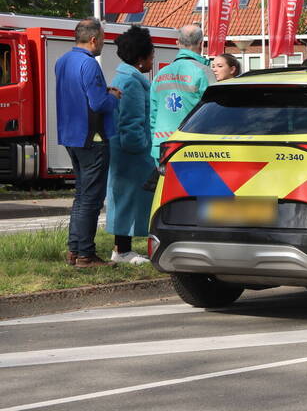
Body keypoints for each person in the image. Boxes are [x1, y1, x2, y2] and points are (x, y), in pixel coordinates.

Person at [54, 18, 120, 269]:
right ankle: (86, 255)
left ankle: (74, 251)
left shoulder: (62, 62)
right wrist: (112, 96)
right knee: (91, 198)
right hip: (93, 137)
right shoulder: (89, 65)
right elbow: (98, 104)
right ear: (94, 39)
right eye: (103, 38)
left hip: (71, 136)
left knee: (81, 195)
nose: (104, 43)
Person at [105, 26, 156, 265]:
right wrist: (143, 148)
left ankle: (122, 249)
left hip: (125, 152)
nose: (152, 59)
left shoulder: (125, 77)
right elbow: (131, 122)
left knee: (124, 200)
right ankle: (123, 251)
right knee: (127, 200)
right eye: (150, 55)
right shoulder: (133, 82)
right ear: (140, 58)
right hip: (132, 154)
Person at [150, 24, 215, 160]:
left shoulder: (160, 74)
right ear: (201, 43)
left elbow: (153, 116)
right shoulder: (203, 72)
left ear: (177, 43)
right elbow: (214, 112)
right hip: (191, 148)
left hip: (162, 146)